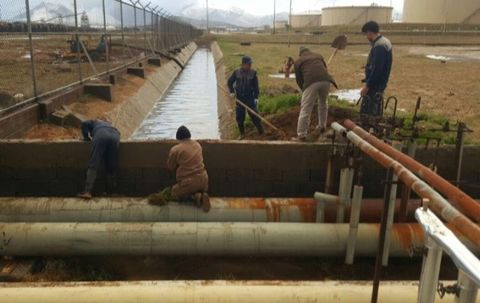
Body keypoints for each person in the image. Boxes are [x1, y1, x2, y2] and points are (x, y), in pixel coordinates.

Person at [150, 126, 210, 212]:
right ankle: (199, 194)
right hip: (204, 180)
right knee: (190, 188)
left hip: (189, 182)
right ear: (189, 135)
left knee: (173, 193)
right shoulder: (197, 145)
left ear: (178, 138)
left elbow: (170, 166)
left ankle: (194, 198)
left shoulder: (176, 149)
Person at [293, 46, 337, 141]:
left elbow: (299, 79)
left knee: (306, 108)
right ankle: (322, 126)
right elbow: (324, 68)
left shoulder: (298, 61)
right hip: (326, 80)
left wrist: (304, 90)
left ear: (300, 54)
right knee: (323, 103)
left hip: (311, 82)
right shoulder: (318, 56)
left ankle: (301, 135)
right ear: (309, 51)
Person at [78, 119, 120, 200]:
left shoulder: (93, 122)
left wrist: (86, 137)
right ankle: (112, 191)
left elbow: (84, 123)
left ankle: (87, 191)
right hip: (116, 135)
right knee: (112, 164)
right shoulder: (108, 124)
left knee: (94, 163)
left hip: (101, 134)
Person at [360, 21, 393, 118]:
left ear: (370, 32)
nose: (366, 37)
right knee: (374, 108)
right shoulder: (384, 41)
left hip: (375, 85)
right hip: (379, 83)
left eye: (366, 34)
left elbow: (377, 69)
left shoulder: (380, 46)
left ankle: (369, 130)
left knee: (369, 112)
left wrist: (367, 86)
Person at [227, 56, 264, 139]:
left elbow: (256, 87)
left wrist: (256, 97)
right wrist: (232, 92)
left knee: (255, 116)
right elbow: (229, 82)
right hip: (239, 98)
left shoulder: (253, 73)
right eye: (248, 64)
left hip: (250, 98)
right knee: (240, 117)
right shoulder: (236, 72)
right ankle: (242, 134)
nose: (250, 65)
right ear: (243, 64)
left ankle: (261, 131)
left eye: (251, 64)